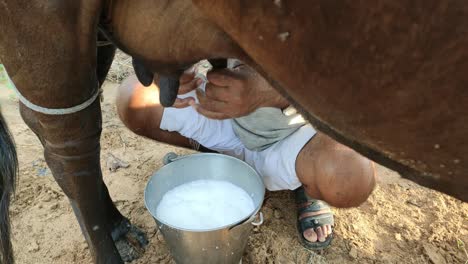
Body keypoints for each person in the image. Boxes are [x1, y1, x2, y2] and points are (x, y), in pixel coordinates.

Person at [116, 60, 376, 249]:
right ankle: (214, 154)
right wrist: (173, 66)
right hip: (228, 114)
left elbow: (365, 75)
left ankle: (305, 185)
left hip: (299, 135)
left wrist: (270, 92)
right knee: (135, 97)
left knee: (349, 178)